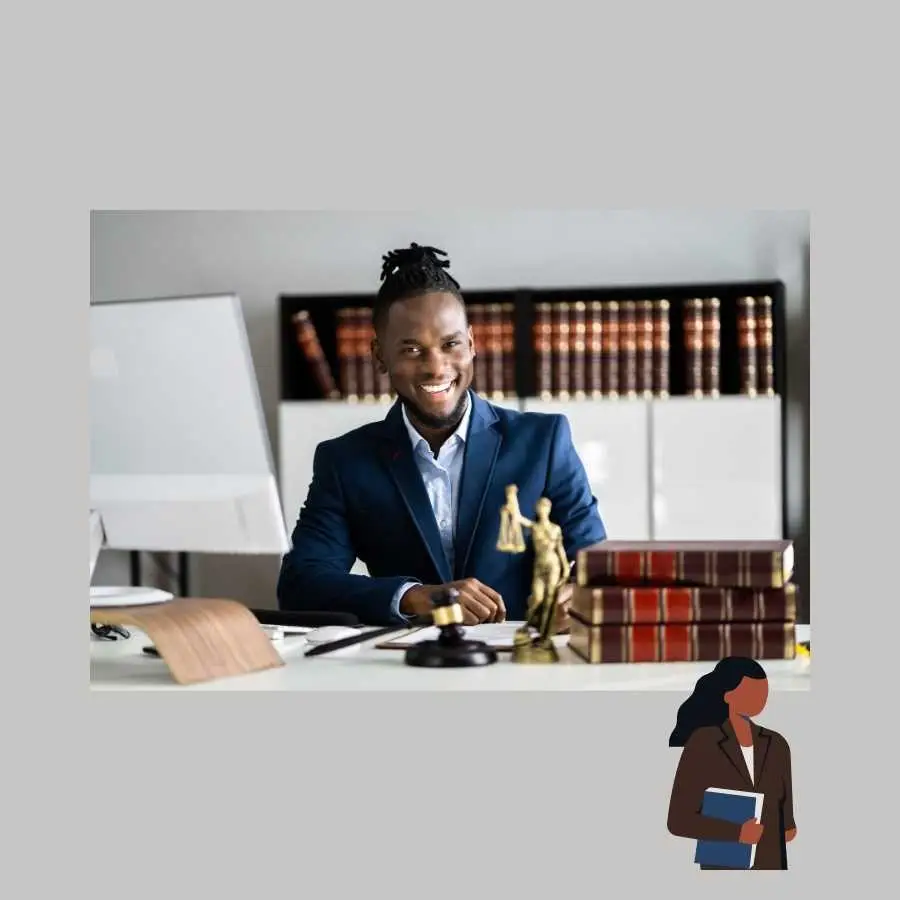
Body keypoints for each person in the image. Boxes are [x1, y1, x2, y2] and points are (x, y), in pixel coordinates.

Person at [277, 242, 607, 626]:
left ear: (470, 343)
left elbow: (594, 561)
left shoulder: (543, 441)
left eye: (450, 344)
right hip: (403, 668)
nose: (436, 368)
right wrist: (413, 596)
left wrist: (581, 587)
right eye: (412, 349)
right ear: (379, 355)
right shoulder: (345, 461)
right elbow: (300, 584)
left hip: (521, 664)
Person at [667, 657, 798, 870]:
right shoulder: (703, 743)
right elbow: (678, 820)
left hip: (771, 866)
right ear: (728, 695)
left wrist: (783, 830)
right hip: (724, 867)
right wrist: (736, 833)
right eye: (752, 692)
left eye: (763, 691)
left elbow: (788, 825)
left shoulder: (777, 744)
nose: (761, 698)